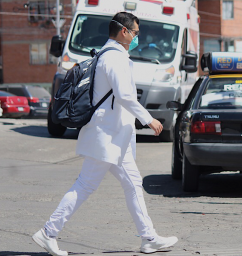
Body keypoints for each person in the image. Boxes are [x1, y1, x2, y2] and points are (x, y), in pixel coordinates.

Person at [32, 12, 178, 255]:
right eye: (135, 33)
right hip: (107, 137)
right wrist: (148, 118)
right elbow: (124, 96)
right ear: (123, 31)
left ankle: (149, 237)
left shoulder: (110, 55)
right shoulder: (114, 58)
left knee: (133, 184)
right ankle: (48, 232)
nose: (136, 38)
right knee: (86, 185)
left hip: (113, 136)